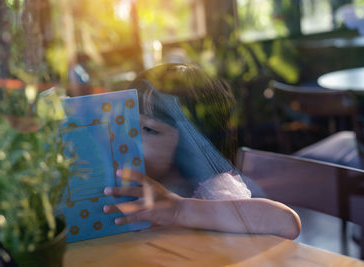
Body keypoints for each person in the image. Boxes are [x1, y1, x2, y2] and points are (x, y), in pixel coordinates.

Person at [103, 63, 301, 239]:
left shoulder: (211, 190)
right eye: (128, 126)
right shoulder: (133, 183)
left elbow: (286, 223)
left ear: (189, 143)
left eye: (149, 130)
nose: (131, 139)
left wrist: (180, 210)